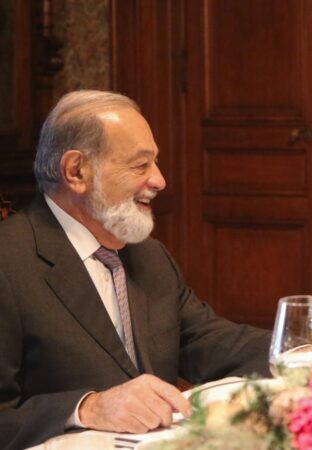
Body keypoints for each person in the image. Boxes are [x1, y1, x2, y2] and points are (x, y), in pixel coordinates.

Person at [0, 90, 272, 450]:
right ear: (76, 171)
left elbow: (207, 341)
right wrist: (87, 408)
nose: (159, 180)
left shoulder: (148, 256)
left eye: (155, 163)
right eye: (140, 165)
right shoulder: (9, 262)